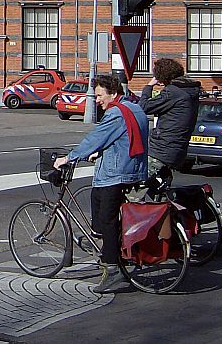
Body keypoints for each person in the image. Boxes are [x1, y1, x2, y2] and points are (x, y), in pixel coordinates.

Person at [54, 74, 148, 293]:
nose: (96, 100)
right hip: (133, 169)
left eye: (99, 95)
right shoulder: (135, 108)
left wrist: (68, 158)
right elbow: (124, 138)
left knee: (107, 221)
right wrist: (101, 152)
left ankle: (113, 270)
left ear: (113, 93)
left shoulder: (116, 113)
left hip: (116, 174)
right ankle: (108, 246)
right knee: (99, 203)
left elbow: (95, 138)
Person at [139, 58, 201, 182]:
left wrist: (149, 86)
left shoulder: (173, 92)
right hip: (176, 150)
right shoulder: (189, 91)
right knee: (158, 187)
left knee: (137, 184)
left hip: (161, 150)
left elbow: (143, 107)